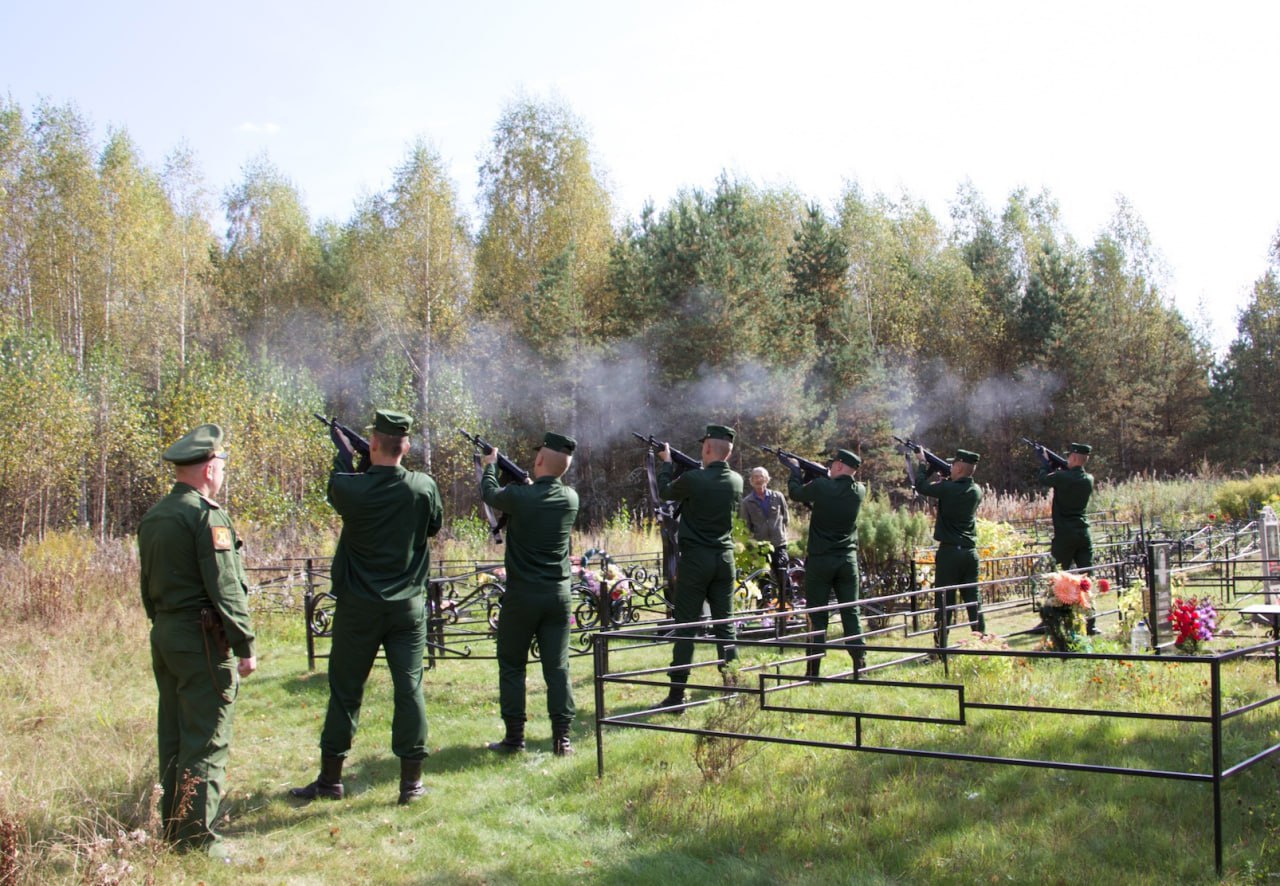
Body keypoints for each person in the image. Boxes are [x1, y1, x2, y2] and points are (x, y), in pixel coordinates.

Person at [291, 409, 443, 806]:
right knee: (409, 689)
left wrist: (344, 455)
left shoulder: (350, 488)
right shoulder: (423, 487)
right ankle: (411, 784)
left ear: (373, 443)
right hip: (407, 609)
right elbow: (432, 526)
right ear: (405, 446)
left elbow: (337, 484)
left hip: (358, 608)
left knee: (345, 692)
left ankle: (330, 780)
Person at [138, 423, 257, 857]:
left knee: (173, 732)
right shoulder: (206, 515)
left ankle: (173, 826)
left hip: (166, 633)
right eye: (222, 464)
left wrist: (163, 625)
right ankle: (195, 839)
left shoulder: (155, 515)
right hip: (202, 638)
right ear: (209, 468)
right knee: (207, 736)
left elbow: (146, 582)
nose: (223, 472)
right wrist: (244, 645)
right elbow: (225, 586)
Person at [481, 432, 581, 756]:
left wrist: (489, 465)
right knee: (558, 668)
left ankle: (514, 737)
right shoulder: (571, 499)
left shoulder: (519, 497)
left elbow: (489, 492)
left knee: (512, 665)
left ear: (539, 460)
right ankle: (562, 738)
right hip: (557, 595)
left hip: (522, 597)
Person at [657, 424, 744, 710]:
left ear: (707, 448)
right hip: (724, 559)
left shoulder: (694, 478)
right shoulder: (737, 481)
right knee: (725, 626)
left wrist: (668, 465)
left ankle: (677, 694)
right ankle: (732, 688)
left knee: (686, 627)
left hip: (696, 560)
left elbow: (665, 492)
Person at [785, 449, 866, 678]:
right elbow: (830, 488)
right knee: (851, 612)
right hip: (847, 560)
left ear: (839, 465)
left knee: (817, 615)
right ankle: (860, 665)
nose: (830, 467)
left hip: (821, 560)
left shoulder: (821, 487)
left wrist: (794, 470)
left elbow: (795, 493)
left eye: (833, 465)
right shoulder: (859, 490)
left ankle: (813, 671)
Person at [908, 447, 985, 637]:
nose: (950, 468)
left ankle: (940, 647)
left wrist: (924, 464)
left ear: (959, 468)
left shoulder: (948, 488)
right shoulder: (976, 490)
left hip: (950, 554)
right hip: (969, 553)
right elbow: (952, 490)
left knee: (944, 602)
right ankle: (983, 641)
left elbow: (921, 486)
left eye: (953, 465)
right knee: (973, 600)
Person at [1038, 442, 1097, 633]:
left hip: (1065, 534)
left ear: (1072, 458)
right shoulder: (1088, 478)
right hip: (1083, 532)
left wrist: (1045, 463)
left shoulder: (1063, 477)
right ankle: (1091, 622)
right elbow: (1067, 477)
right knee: (1087, 578)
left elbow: (1043, 479)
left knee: (1055, 577)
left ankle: (1049, 620)